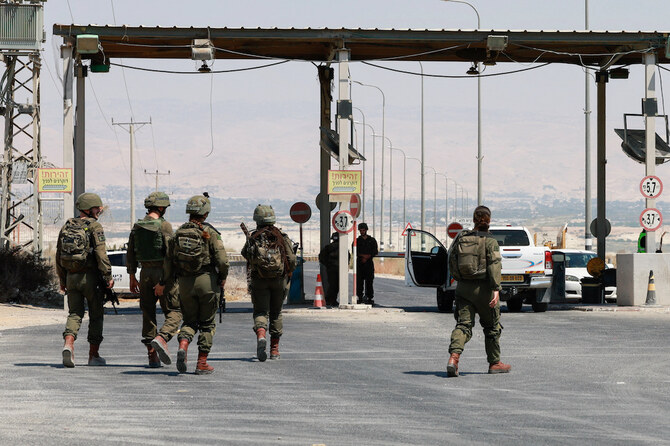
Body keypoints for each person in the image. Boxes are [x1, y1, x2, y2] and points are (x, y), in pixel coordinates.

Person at [156, 195, 229, 375]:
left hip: (185, 284)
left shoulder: (178, 234)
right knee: (207, 324)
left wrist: (164, 282)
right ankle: (202, 363)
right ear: (205, 213)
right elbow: (222, 261)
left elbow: (168, 262)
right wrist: (222, 277)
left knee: (189, 321)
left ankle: (183, 345)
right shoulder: (210, 232)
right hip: (207, 282)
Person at [446, 205, 511, 377]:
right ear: (489, 220)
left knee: (463, 325)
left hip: (463, 288)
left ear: (474, 219)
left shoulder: (462, 238)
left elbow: (451, 260)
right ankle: (495, 363)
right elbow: (494, 266)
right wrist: (496, 290)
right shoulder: (490, 241)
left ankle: (454, 358)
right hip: (484, 290)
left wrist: (459, 280)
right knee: (492, 327)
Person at [56, 192, 114, 368]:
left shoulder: (67, 226)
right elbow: (101, 254)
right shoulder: (95, 226)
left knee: (75, 314)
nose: (99, 211)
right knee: (96, 316)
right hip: (91, 279)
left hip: (71, 277)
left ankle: (69, 344)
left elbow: (59, 255)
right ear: (88, 209)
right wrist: (108, 276)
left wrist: (62, 279)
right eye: (97, 208)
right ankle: (93, 355)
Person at [126, 191, 182, 368]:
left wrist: (132, 276)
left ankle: (152, 356)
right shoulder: (164, 226)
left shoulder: (137, 226)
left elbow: (131, 252)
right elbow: (170, 255)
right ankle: (161, 338)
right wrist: (163, 282)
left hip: (144, 274)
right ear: (160, 207)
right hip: (161, 273)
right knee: (175, 311)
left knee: (148, 313)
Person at [241, 205, 297, 361]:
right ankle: (274, 350)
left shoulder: (254, 238)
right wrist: (288, 271)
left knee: (260, 312)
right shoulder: (281, 237)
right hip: (279, 281)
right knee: (276, 312)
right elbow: (292, 259)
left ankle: (261, 336)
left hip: (259, 280)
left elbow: (245, 254)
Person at [354, 222, 378, 305]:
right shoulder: (357, 241)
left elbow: (375, 251)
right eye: (360, 230)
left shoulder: (372, 240)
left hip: (369, 264)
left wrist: (368, 256)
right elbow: (355, 251)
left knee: (369, 282)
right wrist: (363, 256)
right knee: (359, 282)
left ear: (366, 230)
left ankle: (369, 297)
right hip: (360, 264)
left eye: (363, 230)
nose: (362, 232)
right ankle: (359, 297)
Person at [319, 232, 343, 307]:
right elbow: (347, 257)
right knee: (336, 286)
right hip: (339, 269)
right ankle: (331, 300)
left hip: (331, 269)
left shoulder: (328, 247)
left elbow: (321, 257)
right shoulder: (342, 247)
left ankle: (331, 299)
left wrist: (327, 265)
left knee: (332, 285)